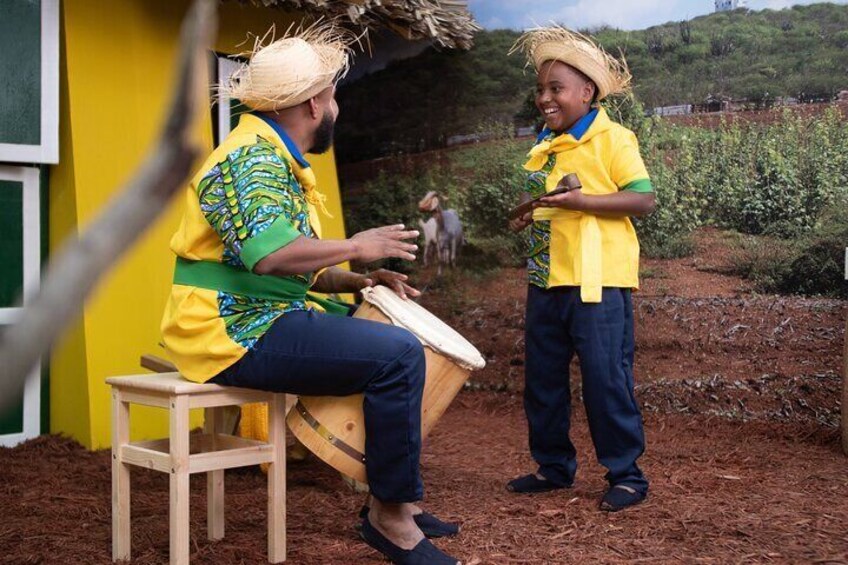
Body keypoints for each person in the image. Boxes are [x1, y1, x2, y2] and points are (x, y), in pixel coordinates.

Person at [160, 24, 460, 565]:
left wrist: (358, 280)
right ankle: (389, 520)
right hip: (231, 329)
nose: (336, 106)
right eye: (332, 95)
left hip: (261, 313)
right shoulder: (249, 161)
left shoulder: (269, 156)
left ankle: (398, 503)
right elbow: (271, 257)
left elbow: (286, 266)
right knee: (396, 355)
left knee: (388, 343)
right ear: (314, 105)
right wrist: (357, 246)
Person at [506, 26, 656, 512]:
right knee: (543, 379)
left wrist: (582, 200)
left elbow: (643, 199)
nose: (546, 98)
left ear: (586, 92)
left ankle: (626, 474)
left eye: (557, 89)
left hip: (598, 281)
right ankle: (553, 468)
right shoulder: (544, 143)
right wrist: (534, 211)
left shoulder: (613, 137)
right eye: (541, 89)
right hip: (546, 278)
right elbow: (560, 204)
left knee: (604, 377)